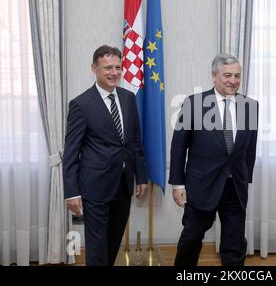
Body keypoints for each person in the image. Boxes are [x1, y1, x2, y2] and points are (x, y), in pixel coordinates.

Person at [169, 53, 258, 266]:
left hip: (234, 188)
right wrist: (178, 183)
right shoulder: (193, 104)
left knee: (234, 244)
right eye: (227, 75)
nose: (233, 81)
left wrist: (246, 180)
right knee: (191, 239)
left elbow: (249, 150)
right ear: (214, 76)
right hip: (202, 186)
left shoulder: (250, 106)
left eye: (237, 76)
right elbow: (178, 147)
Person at [63, 45, 148, 266]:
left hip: (123, 186)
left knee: (113, 242)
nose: (114, 73)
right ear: (94, 68)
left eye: (118, 67)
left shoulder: (129, 98)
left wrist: (141, 176)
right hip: (95, 188)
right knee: (97, 247)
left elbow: (135, 143)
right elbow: (71, 152)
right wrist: (71, 192)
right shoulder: (81, 104)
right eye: (108, 67)